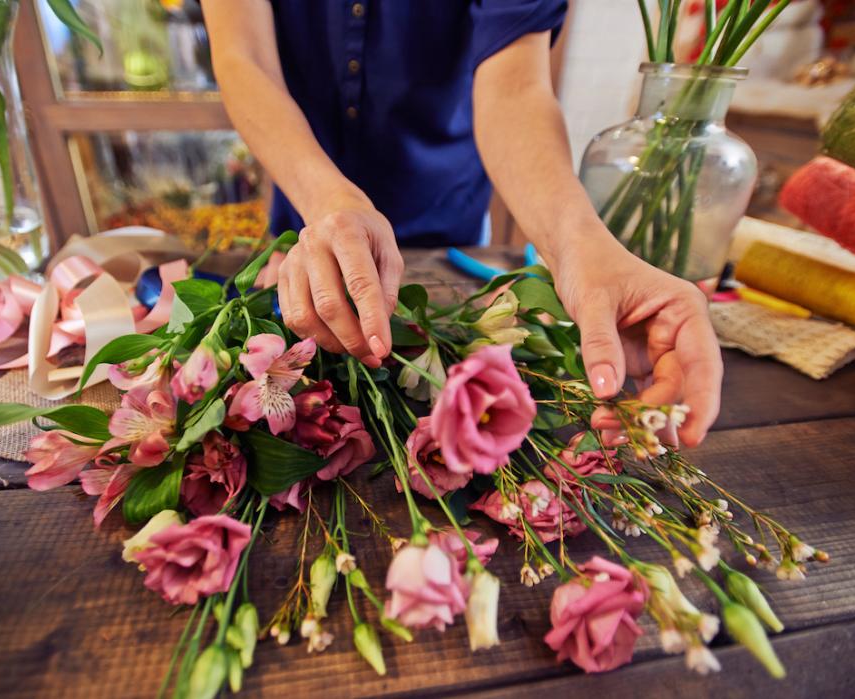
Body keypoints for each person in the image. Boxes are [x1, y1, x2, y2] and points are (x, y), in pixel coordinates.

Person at [202, 0, 722, 447]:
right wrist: (330, 201)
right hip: (306, 223)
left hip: (447, 222)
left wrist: (581, 245)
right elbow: (242, 57)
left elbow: (515, 86)